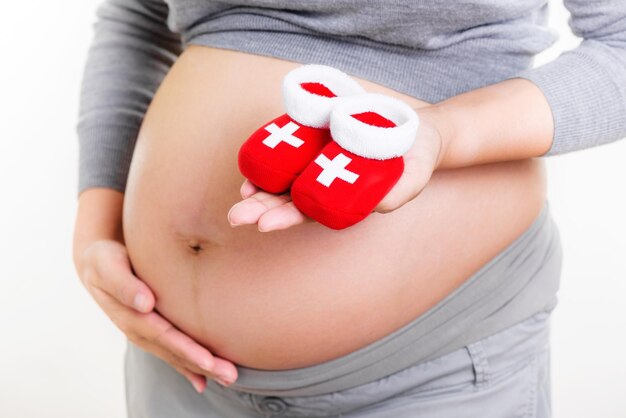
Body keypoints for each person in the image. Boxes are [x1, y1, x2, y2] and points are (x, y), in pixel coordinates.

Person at [71, 1, 626, 417]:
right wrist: (95, 228)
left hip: (426, 374)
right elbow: (138, 19)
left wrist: (442, 134)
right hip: (176, 368)